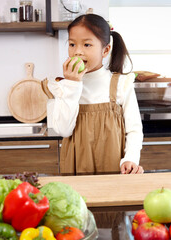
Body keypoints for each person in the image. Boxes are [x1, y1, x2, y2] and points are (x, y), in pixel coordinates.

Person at [48, 14, 144, 175]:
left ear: (105, 50)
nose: (77, 52)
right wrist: (72, 84)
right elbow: (64, 130)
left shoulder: (121, 83)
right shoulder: (64, 86)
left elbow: (134, 129)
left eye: (87, 44)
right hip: (75, 166)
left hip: (114, 166)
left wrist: (131, 158)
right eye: (72, 44)